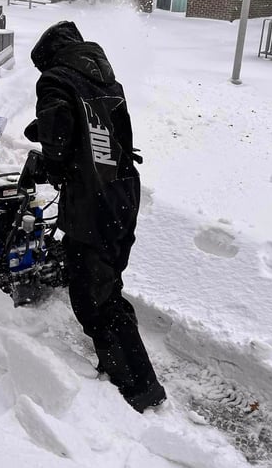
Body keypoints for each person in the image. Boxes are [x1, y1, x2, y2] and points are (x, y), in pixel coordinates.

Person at [24, 21, 166, 414]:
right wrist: (47, 129)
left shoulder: (54, 79)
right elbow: (98, 127)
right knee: (108, 285)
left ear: (49, 57)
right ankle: (123, 363)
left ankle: (139, 388)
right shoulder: (104, 79)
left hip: (93, 202)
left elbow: (59, 136)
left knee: (93, 298)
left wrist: (50, 165)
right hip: (122, 193)